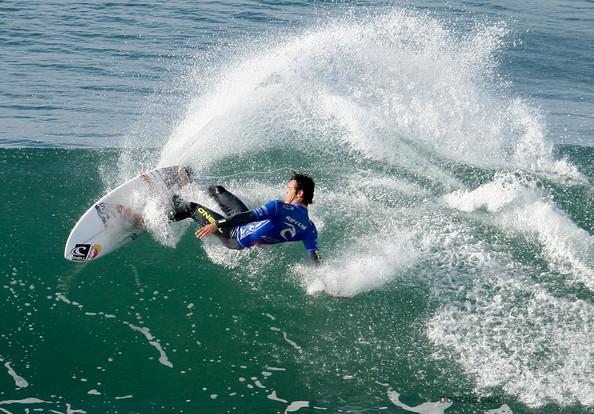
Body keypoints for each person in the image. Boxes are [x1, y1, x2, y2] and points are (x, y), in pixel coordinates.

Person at [170, 172, 321, 265]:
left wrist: (217, 224)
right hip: (247, 225)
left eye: (289, 189)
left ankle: (162, 215)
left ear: (299, 193)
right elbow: (315, 258)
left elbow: (248, 216)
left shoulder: (279, 207)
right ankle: (187, 186)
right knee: (217, 190)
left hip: (234, 236)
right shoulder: (309, 228)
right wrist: (324, 283)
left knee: (191, 208)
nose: (286, 192)